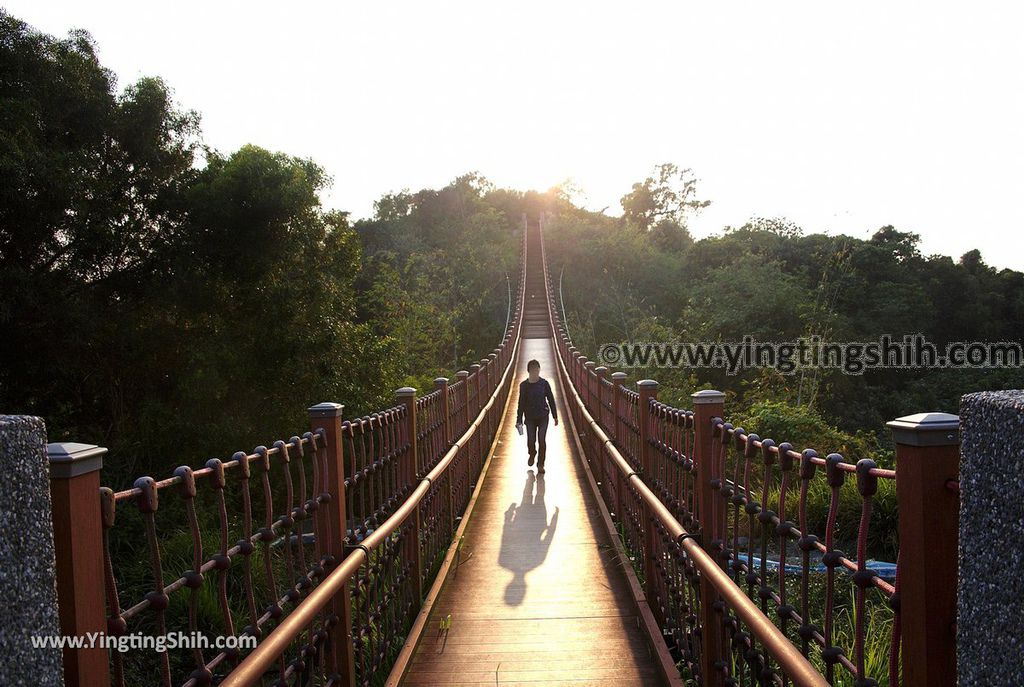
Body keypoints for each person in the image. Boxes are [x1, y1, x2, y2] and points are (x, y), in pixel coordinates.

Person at [515, 359, 558, 472]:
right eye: (533, 370)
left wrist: (555, 416)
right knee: (531, 440)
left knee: (541, 439)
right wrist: (519, 419)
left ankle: (541, 464)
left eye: (537, 370)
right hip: (529, 418)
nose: (535, 373)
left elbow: (551, 399)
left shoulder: (544, 383)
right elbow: (521, 403)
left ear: (539, 370)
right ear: (529, 371)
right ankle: (532, 453)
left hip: (543, 416)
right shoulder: (524, 386)